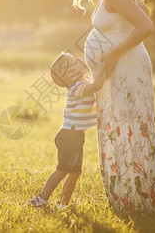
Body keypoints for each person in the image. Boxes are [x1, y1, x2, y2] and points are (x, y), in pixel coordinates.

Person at [58, 0, 155, 213]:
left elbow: (146, 25)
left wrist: (113, 52)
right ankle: (132, 196)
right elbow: (137, 13)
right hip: (118, 71)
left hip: (128, 69)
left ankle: (141, 198)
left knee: (129, 127)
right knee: (120, 127)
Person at [28, 52, 106, 209]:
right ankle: (41, 199)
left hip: (76, 136)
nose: (79, 59)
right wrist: (105, 64)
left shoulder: (84, 81)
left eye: (76, 58)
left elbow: (95, 82)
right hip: (69, 136)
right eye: (74, 62)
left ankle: (63, 204)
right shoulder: (77, 87)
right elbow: (97, 85)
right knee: (63, 169)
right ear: (70, 75)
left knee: (75, 172)